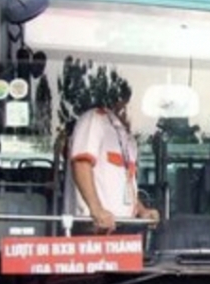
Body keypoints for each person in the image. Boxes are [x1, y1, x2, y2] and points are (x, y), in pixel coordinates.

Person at [68, 83, 159, 233]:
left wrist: (142, 211)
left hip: (122, 226)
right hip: (93, 228)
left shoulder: (128, 138)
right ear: (121, 103)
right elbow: (81, 164)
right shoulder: (95, 119)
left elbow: (126, 185)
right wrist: (96, 209)